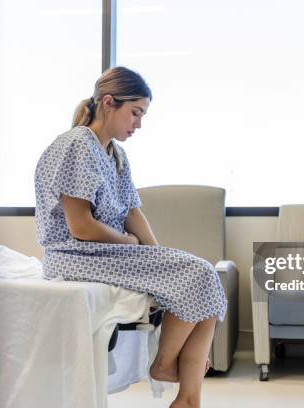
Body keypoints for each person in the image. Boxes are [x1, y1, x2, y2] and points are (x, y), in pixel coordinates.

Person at [34, 66, 227, 408]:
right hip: (74, 253)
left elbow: (132, 212)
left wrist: (158, 255)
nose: (138, 123)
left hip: (107, 251)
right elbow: (80, 227)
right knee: (199, 273)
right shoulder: (75, 145)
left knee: (206, 281)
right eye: (135, 113)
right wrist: (131, 245)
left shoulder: (116, 154)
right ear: (109, 102)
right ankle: (165, 365)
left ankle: (188, 399)